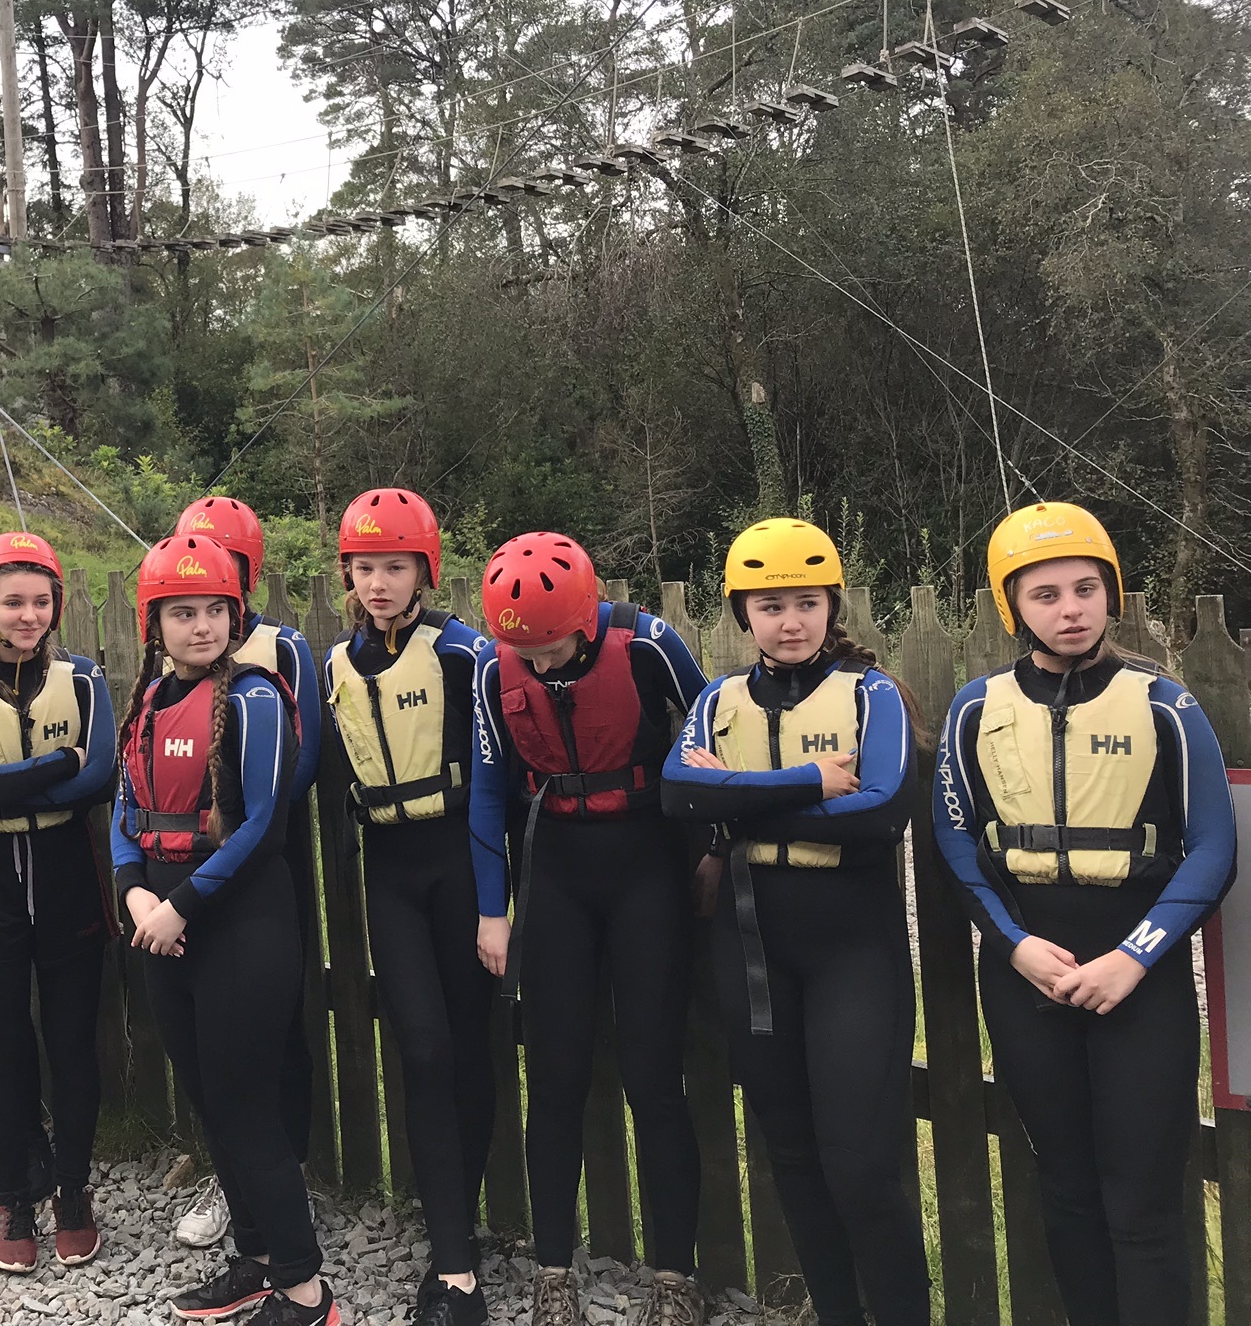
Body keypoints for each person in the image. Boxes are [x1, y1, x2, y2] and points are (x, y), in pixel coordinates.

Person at [933, 502, 1236, 1326]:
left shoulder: (1166, 705)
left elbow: (1213, 848)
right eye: (1045, 594)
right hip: (1027, 976)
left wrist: (1133, 957)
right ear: (1012, 606)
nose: (1070, 609)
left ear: (1112, 593)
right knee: (1066, 1193)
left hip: (1139, 980)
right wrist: (1015, 945)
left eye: (1086, 589)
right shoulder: (975, 709)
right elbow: (955, 840)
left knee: (1142, 1205)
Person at [662, 518, 929, 1326]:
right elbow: (677, 795)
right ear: (743, 614)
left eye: (807, 603)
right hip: (751, 952)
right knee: (793, 1158)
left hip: (854, 954)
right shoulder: (717, 699)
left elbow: (880, 815)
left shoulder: (872, 695)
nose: (790, 622)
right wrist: (811, 781)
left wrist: (737, 800)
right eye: (771, 606)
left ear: (831, 606)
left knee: (862, 1168)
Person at [471, 533, 709, 1326]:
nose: (539, 664)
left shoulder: (648, 643)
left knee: (653, 1080)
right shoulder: (496, 666)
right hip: (556, 873)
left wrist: (712, 850)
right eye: (524, 651)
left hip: (645, 866)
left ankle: (674, 1277)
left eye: (551, 648)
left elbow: (715, 737)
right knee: (556, 1078)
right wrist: (493, 909)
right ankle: (552, 1274)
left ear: (584, 617)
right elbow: (489, 790)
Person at [113, 533, 334, 1326]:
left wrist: (181, 905)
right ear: (155, 623)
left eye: (214, 610)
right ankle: (257, 1259)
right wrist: (135, 895)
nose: (201, 625)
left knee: (247, 1109)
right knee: (211, 1103)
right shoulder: (147, 699)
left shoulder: (254, 698)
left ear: (235, 616)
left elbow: (263, 823)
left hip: (241, 923)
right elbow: (125, 809)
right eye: (183, 613)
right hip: (165, 925)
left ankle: (306, 1291)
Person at [316, 489, 492, 1322]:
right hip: (389, 871)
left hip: (460, 862)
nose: (379, 583)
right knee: (421, 1050)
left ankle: (461, 1238)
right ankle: (453, 1261)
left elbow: (496, 782)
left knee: (470, 1048)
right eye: (364, 567)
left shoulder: (463, 654)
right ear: (346, 573)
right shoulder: (335, 666)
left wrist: (497, 901)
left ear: (426, 570)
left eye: (396, 566)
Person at [0, 531, 116, 1272]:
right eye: (13, 602)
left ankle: (73, 1189)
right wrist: (60, 762)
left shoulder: (85, 679)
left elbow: (101, 778)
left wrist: (9, 782)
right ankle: (12, 1196)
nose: (28, 615)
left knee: (72, 1046)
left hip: (69, 878)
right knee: (3, 1049)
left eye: (41, 601)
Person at [169, 497, 323, 1249]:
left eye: (223, 566)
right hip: (195, 868)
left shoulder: (281, 649)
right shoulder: (172, 663)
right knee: (214, 1039)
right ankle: (239, 1179)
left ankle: (285, 1173)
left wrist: (240, 822)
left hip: (270, 853)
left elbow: (303, 758)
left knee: (278, 1026)